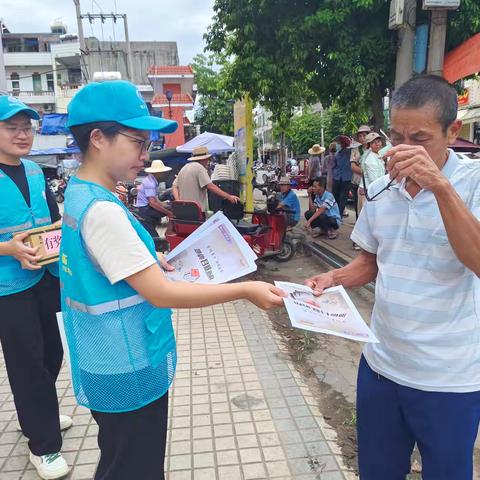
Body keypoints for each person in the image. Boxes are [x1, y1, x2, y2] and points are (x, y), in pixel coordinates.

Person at [61, 80, 286, 480]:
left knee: (120, 461)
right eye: (138, 142)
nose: (145, 156)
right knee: (134, 468)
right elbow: (160, 294)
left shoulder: (86, 195)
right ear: (98, 138)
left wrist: (152, 257)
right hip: (127, 362)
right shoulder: (103, 209)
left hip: (109, 359)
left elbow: (112, 265)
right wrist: (245, 290)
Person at [305, 75, 480, 480]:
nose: (405, 150)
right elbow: (372, 261)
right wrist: (334, 277)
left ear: (452, 131)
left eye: (420, 138)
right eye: (397, 136)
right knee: (378, 472)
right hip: (382, 367)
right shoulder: (383, 187)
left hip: (448, 378)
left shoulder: (472, 183)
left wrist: (440, 188)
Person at [0, 96, 71, 479]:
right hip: (7, 288)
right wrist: (7, 248)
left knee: (52, 352)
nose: (22, 134)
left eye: (27, 127)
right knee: (26, 363)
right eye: (12, 127)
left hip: (46, 278)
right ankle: (43, 446)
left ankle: (37, 414)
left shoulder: (35, 171)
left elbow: (53, 220)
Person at [172, 146, 239, 214]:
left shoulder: (184, 168)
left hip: (183, 209)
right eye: (207, 159)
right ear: (203, 159)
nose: (208, 161)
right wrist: (229, 197)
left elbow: (174, 186)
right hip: (196, 210)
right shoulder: (200, 168)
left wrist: (178, 201)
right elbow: (210, 186)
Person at [135, 159, 173, 238]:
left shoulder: (151, 180)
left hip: (146, 208)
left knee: (170, 209)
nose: (164, 174)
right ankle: (169, 233)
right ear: (158, 173)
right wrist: (167, 212)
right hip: (145, 209)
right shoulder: (150, 183)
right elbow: (152, 203)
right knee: (171, 213)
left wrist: (165, 205)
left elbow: (155, 200)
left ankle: (169, 232)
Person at [350, 125, 371, 250]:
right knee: (359, 211)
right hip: (358, 183)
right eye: (360, 136)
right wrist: (367, 171)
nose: (363, 138)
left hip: (372, 184)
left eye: (365, 135)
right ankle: (358, 239)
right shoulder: (356, 150)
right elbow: (353, 167)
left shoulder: (374, 147)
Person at [332, 135, 353, 218]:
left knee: (341, 197)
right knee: (340, 197)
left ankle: (338, 214)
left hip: (343, 177)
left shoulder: (349, 152)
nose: (338, 144)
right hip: (340, 177)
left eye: (339, 143)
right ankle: (338, 214)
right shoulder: (338, 153)